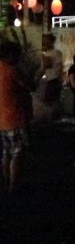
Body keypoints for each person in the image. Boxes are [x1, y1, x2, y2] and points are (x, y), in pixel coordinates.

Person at [0, 41, 32, 193]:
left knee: (6, 153)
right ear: (11, 55)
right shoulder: (12, 70)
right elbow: (30, 86)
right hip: (15, 117)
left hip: (2, 119)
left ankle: (6, 182)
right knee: (17, 154)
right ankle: (14, 187)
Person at [37, 33, 65, 104]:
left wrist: (37, 78)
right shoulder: (55, 53)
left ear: (50, 41)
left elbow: (46, 66)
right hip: (54, 81)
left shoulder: (52, 54)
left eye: (45, 40)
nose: (43, 42)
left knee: (49, 102)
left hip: (53, 81)